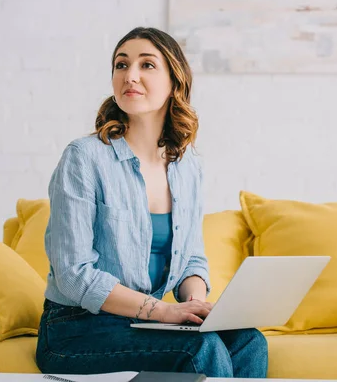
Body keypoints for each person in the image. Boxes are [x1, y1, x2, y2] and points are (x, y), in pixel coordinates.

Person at [35, 27, 268, 378]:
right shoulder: (84, 158)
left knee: (249, 341)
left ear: (175, 81)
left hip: (141, 322)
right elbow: (74, 275)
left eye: (147, 65)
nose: (130, 75)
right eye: (121, 64)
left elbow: (191, 258)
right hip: (75, 329)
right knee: (199, 349)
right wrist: (160, 311)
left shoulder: (188, 166)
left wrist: (193, 301)